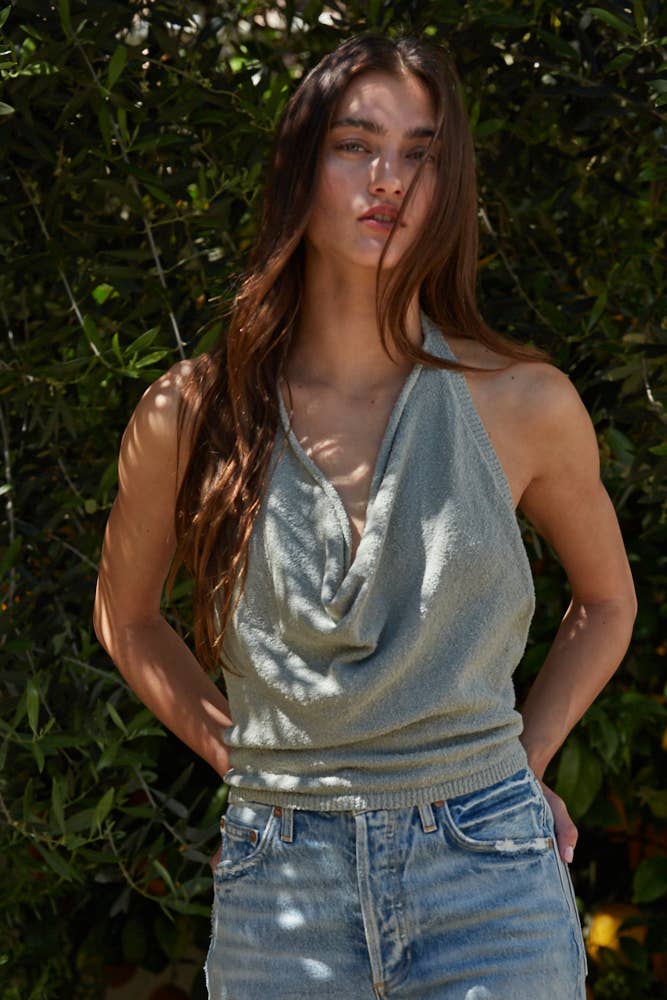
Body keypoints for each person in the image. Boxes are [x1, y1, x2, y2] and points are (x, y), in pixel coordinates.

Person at [93, 33, 637, 1000]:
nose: (388, 178)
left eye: (420, 154)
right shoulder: (190, 414)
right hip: (280, 891)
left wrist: (519, 764)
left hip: (489, 880)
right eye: (355, 144)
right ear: (300, 168)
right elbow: (125, 616)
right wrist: (242, 760)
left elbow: (606, 602)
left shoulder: (522, 403)